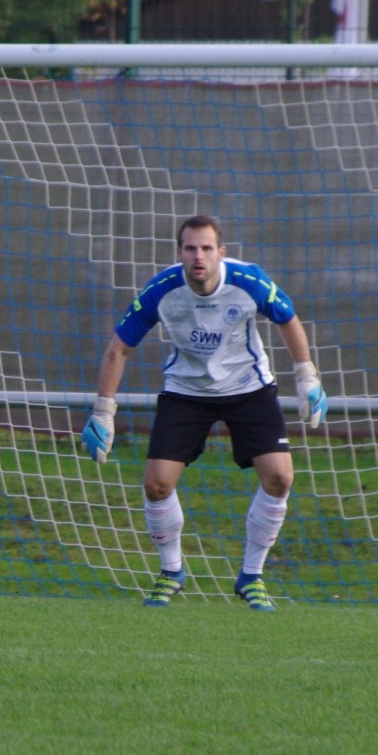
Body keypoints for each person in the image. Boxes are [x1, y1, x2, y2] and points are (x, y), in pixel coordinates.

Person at [81, 215, 327, 611]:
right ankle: (171, 572)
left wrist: (307, 376)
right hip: (186, 391)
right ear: (179, 253)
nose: (199, 256)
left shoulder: (249, 281)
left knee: (280, 477)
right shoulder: (162, 290)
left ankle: (251, 577)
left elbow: (288, 319)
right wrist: (103, 411)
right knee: (156, 485)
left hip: (248, 388)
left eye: (207, 248)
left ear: (221, 253)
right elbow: (118, 349)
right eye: (191, 248)